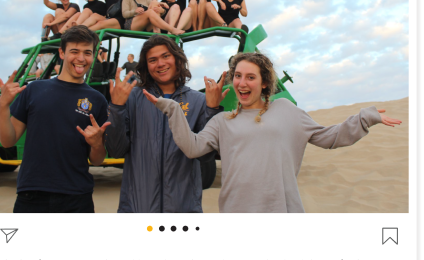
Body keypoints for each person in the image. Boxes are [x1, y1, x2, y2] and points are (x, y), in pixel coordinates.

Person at [143, 52, 402, 213]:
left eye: (250, 77)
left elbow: (330, 137)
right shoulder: (222, 121)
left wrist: (366, 118)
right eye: (238, 76)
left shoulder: (286, 110)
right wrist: (174, 111)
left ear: (264, 82)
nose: (242, 83)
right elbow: (192, 147)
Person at [0, 26, 110, 213]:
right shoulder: (34, 90)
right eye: (74, 51)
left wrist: (97, 144)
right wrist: (3, 105)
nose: (81, 58)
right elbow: (7, 141)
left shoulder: (97, 100)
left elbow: (97, 160)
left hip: (77, 195)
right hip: (31, 194)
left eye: (87, 53)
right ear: (62, 53)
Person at [105, 34, 224, 213]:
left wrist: (212, 110)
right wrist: (116, 107)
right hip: (137, 208)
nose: (160, 64)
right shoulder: (133, 98)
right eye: (152, 60)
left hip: (183, 209)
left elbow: (205, 157)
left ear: (177, 59)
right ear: (146, 66)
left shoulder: (198, 101)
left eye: (166, 56)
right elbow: (115, 150)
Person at [89, 0, 184, 35]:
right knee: (151, 10)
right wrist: (135, 11)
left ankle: (157, 32)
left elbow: (160, 12)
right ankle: (171, 29)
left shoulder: (146, 0)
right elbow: (125, 14)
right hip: (130, 24)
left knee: (155, 2)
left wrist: (161, 8)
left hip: (145, 25)